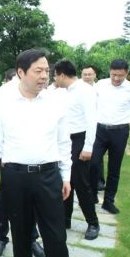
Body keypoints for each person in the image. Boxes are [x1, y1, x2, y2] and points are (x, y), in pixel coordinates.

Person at [0, 48, 74, 257]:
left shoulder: (55, 101)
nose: (44, 76)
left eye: (47, 70)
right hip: (15, 177)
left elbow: (64, 142)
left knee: (56, 239)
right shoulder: (4, 99)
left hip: (48, 176)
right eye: (38, 71)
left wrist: (66, 175)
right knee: (21, 236)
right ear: (21, 73)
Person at [0, 68, 46, 257]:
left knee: (32, 201)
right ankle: (0, 237)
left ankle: (32, 238)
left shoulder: (41, 92)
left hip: (33, 160)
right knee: (6, 198)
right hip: (10, 160)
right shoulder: (4, 94)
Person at [90, 59, 130, 214]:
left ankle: (108, 201)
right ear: (109, 72)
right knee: (93, 163)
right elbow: (90, 102)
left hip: (120, 131)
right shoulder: (100, 85)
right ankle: (92, 195)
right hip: (99, 130)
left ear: (127, 73)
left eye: (120, 76)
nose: (116, 79)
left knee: (114, 167)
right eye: (114, 75)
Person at [54, 60, 100, 240]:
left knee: (81, 183)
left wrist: (88, 147)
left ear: (62, 75)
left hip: (80, 139)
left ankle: (93, 223)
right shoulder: (61, 91)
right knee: (64, 180)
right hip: (64, 141)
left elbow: (92, 120)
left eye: (55, 75)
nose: (53, 79)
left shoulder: (84, 90)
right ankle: (65, 219)